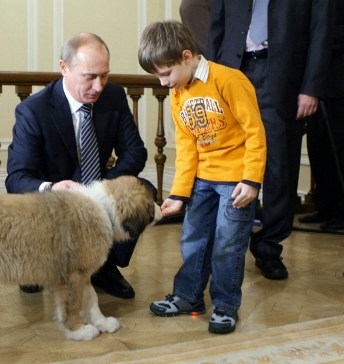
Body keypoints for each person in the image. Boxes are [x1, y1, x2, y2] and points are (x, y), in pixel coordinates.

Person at [138, 20, 266, 334]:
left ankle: (225, 307)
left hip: (236, 182)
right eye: (157, 76)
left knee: (227, 244)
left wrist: (251, 180)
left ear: (186, 56)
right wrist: (179, 194)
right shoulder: (179, 93)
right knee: (193, 239)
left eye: (165, 73)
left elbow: (255, 132)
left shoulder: (229, 80)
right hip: (202, 182)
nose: (163, 82)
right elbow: (187, 146)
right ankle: (188, 296)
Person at [5, 32, 152, 299]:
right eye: (90, 76)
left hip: (97, 190)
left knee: (143, 190)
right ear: (64, 67)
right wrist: (53, 187)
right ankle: (40, 263)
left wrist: (102, 189)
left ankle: (104, 266)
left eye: (104, 75)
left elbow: (135, 152)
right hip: (56, 201)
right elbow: (17, 177)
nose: (99, 86)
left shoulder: (114, 97)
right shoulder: (33, 111)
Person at [206, 0, 334, 280]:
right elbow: (217, 23)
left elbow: (321, 30)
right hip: (232, 71)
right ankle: (226, 242)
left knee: (279, 169)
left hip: (281, 77)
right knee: (229, 160)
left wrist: (311, 87)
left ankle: (268, 247)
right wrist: (208, 79)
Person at [300, 0, 344, 231]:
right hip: (317, 82)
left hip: (337, 80)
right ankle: (326, 205)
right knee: (319, 148)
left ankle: (342, 212)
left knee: (339, 147)